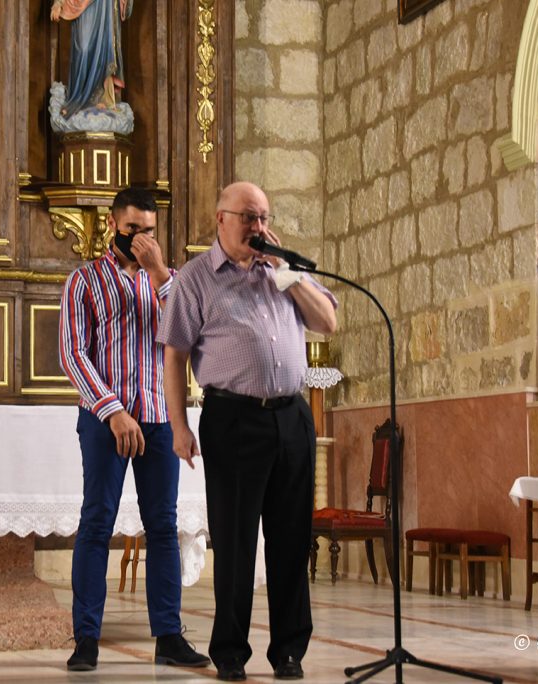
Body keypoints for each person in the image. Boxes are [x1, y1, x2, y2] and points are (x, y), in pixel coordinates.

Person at [158, 181, 337, 682]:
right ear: (221, 219)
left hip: (292, 417)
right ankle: (231, 652)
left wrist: (288, 275)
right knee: (236, 542)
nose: (257, 227)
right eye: (248, 217)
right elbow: (174, 354)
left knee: (291, 538)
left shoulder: (284, 270)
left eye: (263, 218)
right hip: (233, 419)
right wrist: (178, 426)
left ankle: (289, 651)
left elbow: (327, 322)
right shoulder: (196, 279)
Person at [58, 187, 210, 672]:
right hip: (106, 418)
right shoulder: (83, 281)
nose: (141, 239)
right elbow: (73, 353)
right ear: (112, 225)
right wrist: (112, 411)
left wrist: (159, 273)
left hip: (159, 416)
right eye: (132, 230)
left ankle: (168, 637)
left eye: (149, 231)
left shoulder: (171, 280)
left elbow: (188, 334)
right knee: (97, 522)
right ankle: (86, 639)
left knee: (163, 526)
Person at [49, 0, 131, 117]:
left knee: (104, 47)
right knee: (83, 48)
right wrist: (59, 3)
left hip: (105, 5)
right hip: (82, 3)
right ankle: (77, 100)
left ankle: (102, 99)